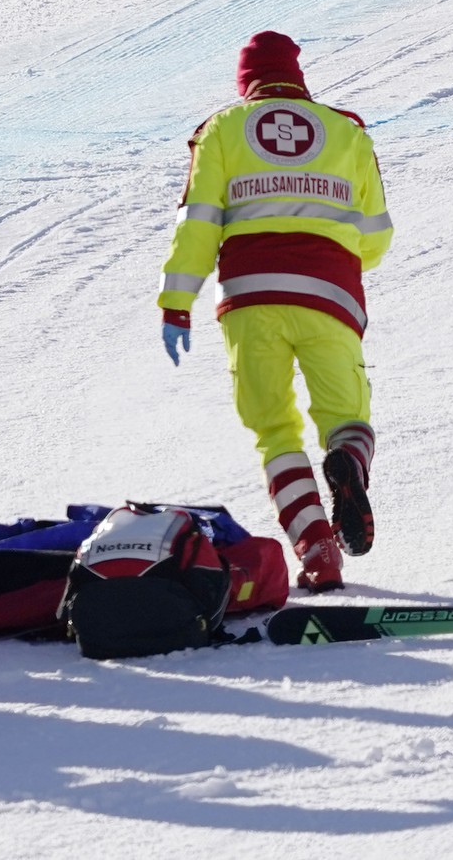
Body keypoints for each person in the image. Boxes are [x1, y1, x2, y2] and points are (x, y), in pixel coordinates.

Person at [157, 31, 392, 592]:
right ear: (297, 74)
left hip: (250, 298)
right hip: (329, 294)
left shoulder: (220, 130)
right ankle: (349, 463)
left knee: (274, 430)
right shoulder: (346, 131)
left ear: (245, 80)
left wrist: (176, 301)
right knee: (345, 416)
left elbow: (199, 222)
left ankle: (317, 551)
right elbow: (378, 236)